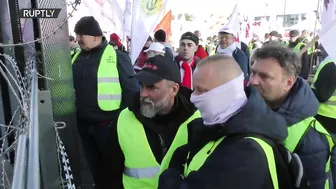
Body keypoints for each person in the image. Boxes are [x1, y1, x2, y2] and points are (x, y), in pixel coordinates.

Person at [159, 55, 289, 189]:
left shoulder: (246, 153)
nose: (193, 98)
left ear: (227, 92)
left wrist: (170, 176)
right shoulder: (218, 128)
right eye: (195, 89)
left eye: (202, 91)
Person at [107, 55, 200, 189]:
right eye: (141, 86)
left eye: (151, 87)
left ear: (173, 89)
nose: (143, 94)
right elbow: (110, 174)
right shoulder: (124, 118)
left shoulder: (197, 119)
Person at [250, 44, 334, 189]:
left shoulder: (311, 138)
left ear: (289, 82)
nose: (253, 81)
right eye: (253, 73)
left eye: (264, 76)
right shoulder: (245, 107)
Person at [71, 16, 138, 189]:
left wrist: (121, 123)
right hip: (84, 126)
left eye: (81, 35)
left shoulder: (117, 57)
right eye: (76, 35)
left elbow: (131, 91)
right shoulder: (76, 56)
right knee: (94, 168)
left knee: (112, 170)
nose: (77, 39)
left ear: (95, 36)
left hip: (107, 127)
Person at [311, 45, 336, 186]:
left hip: (327, 121)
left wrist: (308, 90)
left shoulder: (332, 62)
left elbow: (322, 94)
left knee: (328, 163)